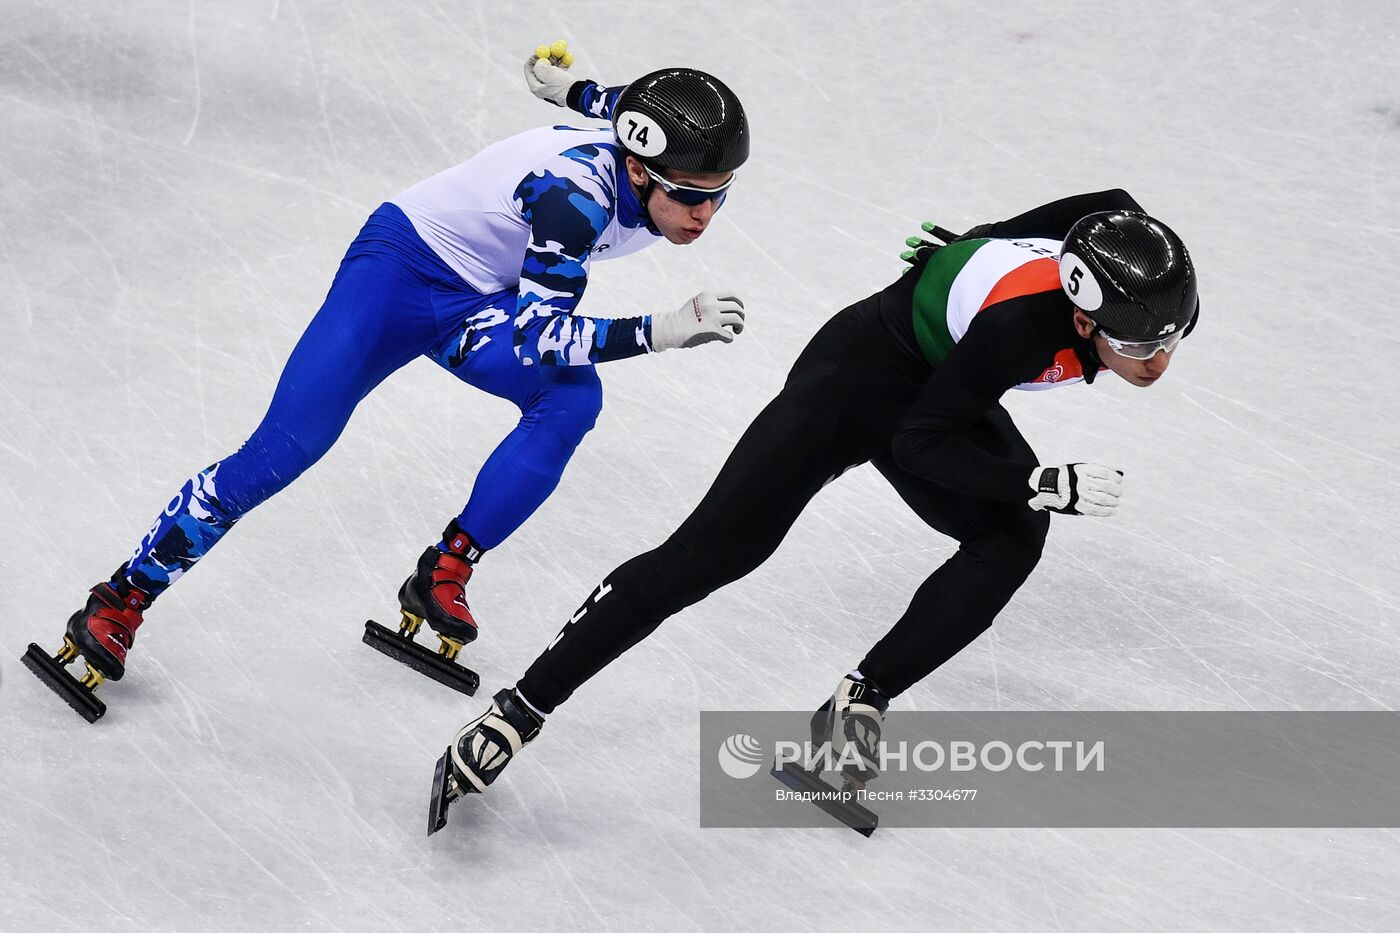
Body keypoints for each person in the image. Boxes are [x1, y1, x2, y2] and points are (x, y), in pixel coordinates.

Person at [23, 43, 752, 721]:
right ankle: (119, 597)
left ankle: (444, 568)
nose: (704, 215)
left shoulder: (644, 139)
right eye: (691, 196)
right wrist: (661, 330)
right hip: (396, 275)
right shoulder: (574, 198)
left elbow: (615, 102)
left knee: (571, 399)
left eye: (721, 195)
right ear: (635, 170)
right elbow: (539, 338)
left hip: (479, 297)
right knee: (284, 449)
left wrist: (568, 88)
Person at [426, 189, 1201, 824]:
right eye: (1138, 348)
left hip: (938, 377)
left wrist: (977, 242)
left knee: (1011, 540)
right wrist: (1036, 482)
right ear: (1081, 315)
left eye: (1169, 339)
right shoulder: (1017, 330)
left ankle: (857, 704)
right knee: (707, 556)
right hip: (855, 379)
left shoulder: (1117, 247)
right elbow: (924, 441)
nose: (1157, 363)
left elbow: (1112, 200)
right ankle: (517, 710)